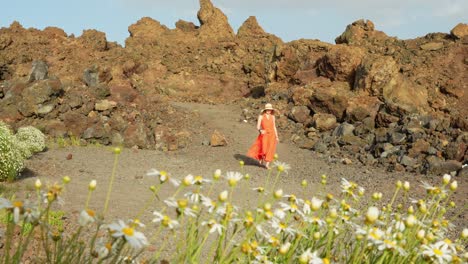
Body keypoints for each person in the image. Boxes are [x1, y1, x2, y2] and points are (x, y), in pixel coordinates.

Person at [247, 103, 279, 169]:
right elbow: (258, 126)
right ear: (265, 110)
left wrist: (277, 136)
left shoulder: (273, 117)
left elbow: (274, 127)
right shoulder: (261, 116)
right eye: (267, 110)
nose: (269, 111)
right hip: (264, 134)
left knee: (270, 149)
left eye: (270, 110)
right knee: (264, 148)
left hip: (272, 134)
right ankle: (261, 158)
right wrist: (260, 130)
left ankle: (267, 164)